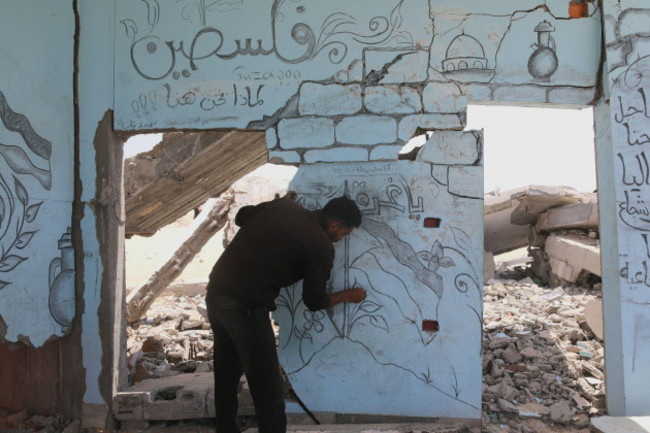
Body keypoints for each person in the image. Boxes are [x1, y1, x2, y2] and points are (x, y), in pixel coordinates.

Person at [205, 191, 366, 433]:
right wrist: (347, 296)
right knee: (268, 385)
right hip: (246, 307)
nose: (342, 239)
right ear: (334, 224)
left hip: (216, 293)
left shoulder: (283, 206)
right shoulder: (321, 245)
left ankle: (226, 429)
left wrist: (274, 205)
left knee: (226, 373)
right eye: (343, 234)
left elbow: (241, 216)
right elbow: (314, 300)